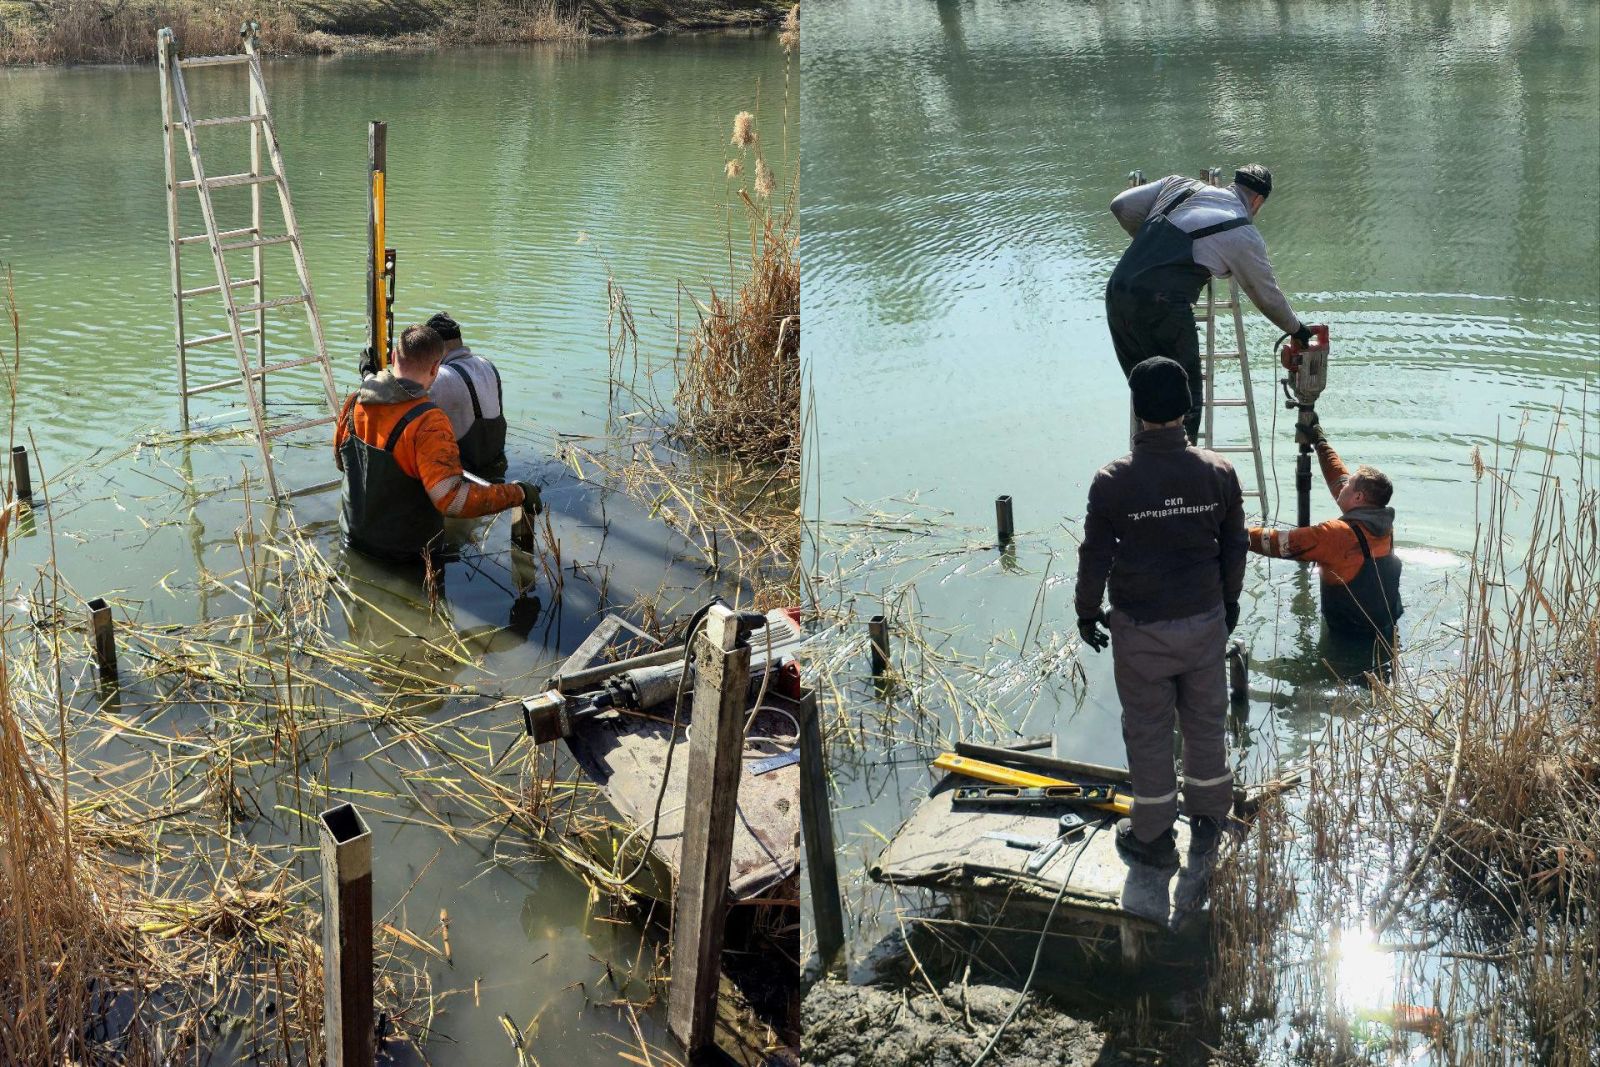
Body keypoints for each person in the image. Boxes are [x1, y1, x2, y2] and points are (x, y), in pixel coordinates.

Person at [1075, 357, 1247, 866]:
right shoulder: (1218, 471)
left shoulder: (1112, 481)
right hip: (1204, 622)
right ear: (1187, 406)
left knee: (1148, 729)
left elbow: (1095, 556)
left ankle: (1151, 836)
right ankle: (1210, 816)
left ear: (1137, 411)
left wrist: (1087, 612)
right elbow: (1234, 546)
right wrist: (1229, 601)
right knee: (1205, 719)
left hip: (1141, 631)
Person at [1106, 164, 1314, 442]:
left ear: (1232, 185)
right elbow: (1267, 296)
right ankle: (1184, 474)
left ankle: (1145, 470)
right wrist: (1297, 329)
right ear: (1257, 202)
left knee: (1146, 389)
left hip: (1118, 291)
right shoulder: (1240, 230)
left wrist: (1152, 246)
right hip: (1161, 306)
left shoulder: (1178, 185)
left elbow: (1120, 206)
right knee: (1184, 395)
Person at [336, 324, 539, 564]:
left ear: (393, 357)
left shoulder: (353, 403)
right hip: (406, 556)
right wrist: (517, 493)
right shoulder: (429, 422)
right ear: (436, 367)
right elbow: (453, 501)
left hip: (351, 540)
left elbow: (341, 463)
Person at [1247, 413, 1402, 639]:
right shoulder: (1384, 525)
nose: (1343, 484)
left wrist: (1231, 531)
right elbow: (1338, 475)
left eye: (1348, 484)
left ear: (1358, 498)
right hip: (1386, 630)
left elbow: (1278, 544)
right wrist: (1320, 442)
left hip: (1346, 639)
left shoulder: (1336, 535)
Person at [422, 312, 509, 481]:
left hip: (466, 474)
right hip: (496, 462)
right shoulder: (488, 365)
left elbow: (401, 403)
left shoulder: (441, 377)